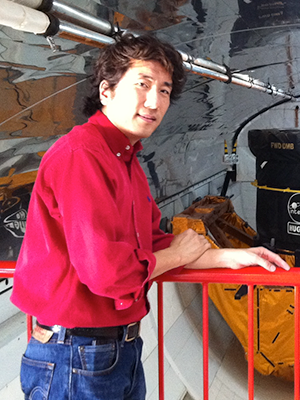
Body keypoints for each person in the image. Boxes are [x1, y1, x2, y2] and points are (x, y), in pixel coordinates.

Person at [11, 33, 290, 400]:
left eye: (164, 90)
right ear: (107, 90)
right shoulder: (82, 155)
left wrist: (232, 256)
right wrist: (176, 256)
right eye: (142, 85)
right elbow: (108, 273)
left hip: (113, 350)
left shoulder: (124, 158)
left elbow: (150, 241)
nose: (154, 100)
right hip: (74, 356)